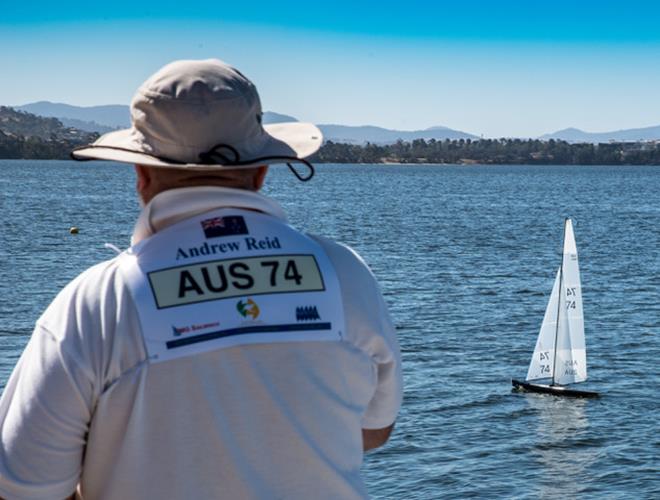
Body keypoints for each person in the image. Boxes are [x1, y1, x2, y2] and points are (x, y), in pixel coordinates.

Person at [0, 59, 402, 499]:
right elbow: (373, 432)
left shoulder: (98, 302)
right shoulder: (345, 273)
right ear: (262, 170)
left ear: (141, 173)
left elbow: (22, 487)